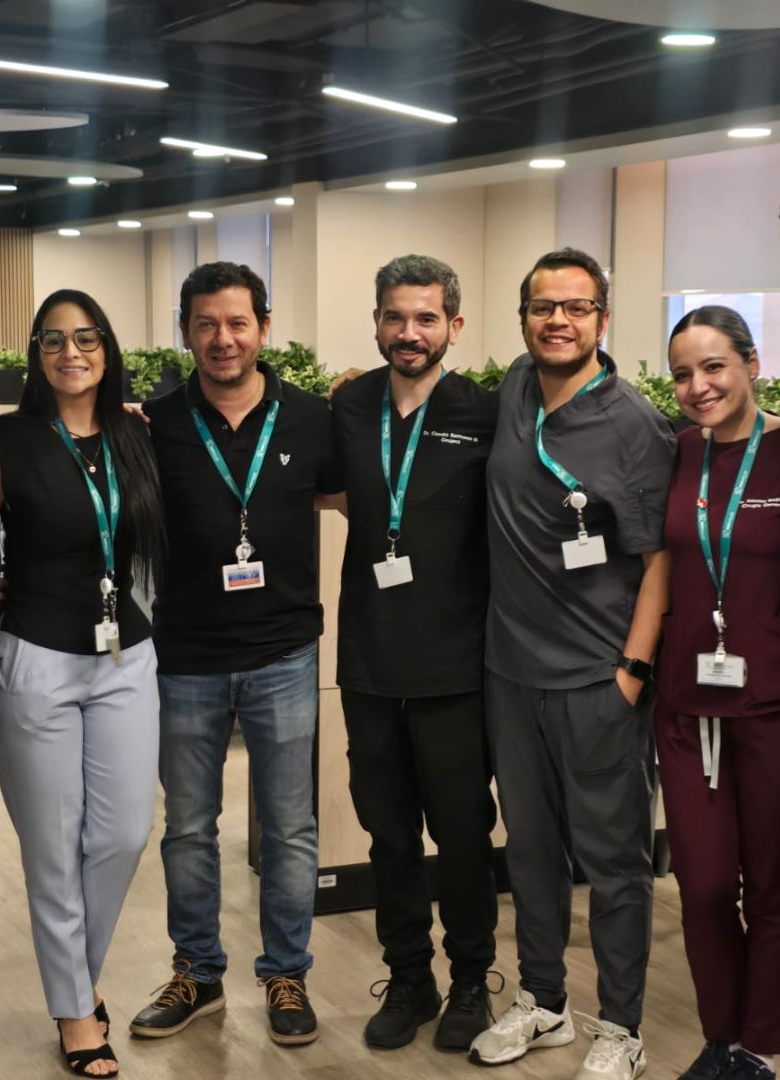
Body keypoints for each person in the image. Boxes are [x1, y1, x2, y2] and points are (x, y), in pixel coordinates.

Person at [471, 248, 674, 1080]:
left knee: (616, 865)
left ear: (602, 318)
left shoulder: (635, 425)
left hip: (598, 679)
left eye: (576, 307)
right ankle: (544, 1001)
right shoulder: (516, 386)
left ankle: (621, 1028)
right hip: (511, 674)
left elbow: (660, 559)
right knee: (529, 850)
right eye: (542, 306)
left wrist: (632, 671)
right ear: (523, 317)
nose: (558, 320)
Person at [129, 261, 341, 1047]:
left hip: (284, 652)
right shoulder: (153, 424)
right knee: (189, 828)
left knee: (290, 830)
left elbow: (344, 495)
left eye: (238, 323)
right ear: (186, 332)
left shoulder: (312, 418)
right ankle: (198, 972)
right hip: (185, 655)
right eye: (207, 324)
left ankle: (286, 973)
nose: (223, 339)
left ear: (264, 327)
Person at [0, 289, 165, 1078]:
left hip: (127, 656)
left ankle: (74, 984)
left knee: (123, 833)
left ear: (107, 347)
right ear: (36, 354)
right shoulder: (6, 438)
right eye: (52, 340)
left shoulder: (136, 433)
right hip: (35, 660)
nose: (70, 352)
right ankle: (76, 1013)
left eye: (85, 338)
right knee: (54, 848)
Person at [329, 254, 499, 1052]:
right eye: (395, 317)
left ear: (453, 327)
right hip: (368, 663)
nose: (409, 332)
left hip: (455, 666)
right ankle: (408, 980)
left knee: (462, 835)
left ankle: (470, 981)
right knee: (388, 836)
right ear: (376, 322)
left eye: (426, 318)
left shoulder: (484, 412)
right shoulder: (348, 404)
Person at [655, 306, 780, 1080]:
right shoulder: (678, 453)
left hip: (771, 710)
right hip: (686, 707)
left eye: (713, 367)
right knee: (701, 885)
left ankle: (756, 1047)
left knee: (771, 886)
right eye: (682, 374)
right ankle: (722, 1033)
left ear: (751, 364)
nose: (697, 386)